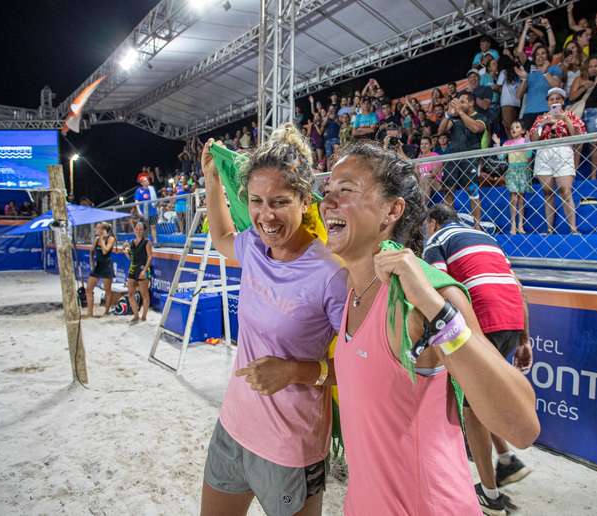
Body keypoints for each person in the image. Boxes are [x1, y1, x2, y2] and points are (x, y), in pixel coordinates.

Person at [319, 142, 539, 516]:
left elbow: (522, 427)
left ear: (393, 210)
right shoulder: (355, 288)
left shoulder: (423, 295)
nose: (328, 203)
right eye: (327, 193)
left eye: (347, 191)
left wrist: (439, 314)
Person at [199, 124, 347, 516]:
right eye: (256, 201)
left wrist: (298, 372)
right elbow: (223, 238)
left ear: (303, 199)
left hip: (290, 449)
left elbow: (363, 367)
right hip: (232, 431)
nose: (266, 215)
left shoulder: (330, 273)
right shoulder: (255, 248)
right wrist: (212, 183)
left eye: (280, 201)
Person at [423, 204, 534, 514]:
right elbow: (518, 288)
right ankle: (506, 459)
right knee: (484, 397)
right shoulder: (487, 239)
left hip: (481, 320)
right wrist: (524, 339)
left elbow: (437, 290)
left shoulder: (437, 240)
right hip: (511, 319)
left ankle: (490, 495)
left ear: (432, 222)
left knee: (472, 410)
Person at [529, 88, 587, 234]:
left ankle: (573, 228)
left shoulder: (570, 115)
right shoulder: (541, 118)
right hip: (544, 152)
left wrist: (565, 119)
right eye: (552, 99)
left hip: (563, 150)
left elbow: (577, 137)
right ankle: (549, 229)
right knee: (547, 192)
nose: (555, 101)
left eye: (558, 99)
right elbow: (533, 139)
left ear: (563, 101)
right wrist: (543, 124)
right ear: (548, 102)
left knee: (565, 191)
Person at [438, 91, 487, 228]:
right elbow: (440, 131)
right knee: (448, 190)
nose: (460, 104)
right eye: (459, 102)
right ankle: (451, 225)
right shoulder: (455, 119)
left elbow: (476, 128)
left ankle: (477, 226)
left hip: (470, 158)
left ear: (471, 103)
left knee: (472, 191)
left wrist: (460, 112)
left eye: (463, 102)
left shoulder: (481, 117)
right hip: (452, 158)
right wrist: (448, 114)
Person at [570, 56, 597, 179]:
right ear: (586, 68)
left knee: (596, 145)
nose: (593, 69)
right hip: (579, 113)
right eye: (591, 66)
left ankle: (593, 176)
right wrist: (584, 87)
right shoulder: (579, 79)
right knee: (577, 144)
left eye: (596, 66)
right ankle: (574, 175)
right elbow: (571, 97)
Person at [494, 121, 534, 234]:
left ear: (522, 130)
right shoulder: (507, 143)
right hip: (512, 171)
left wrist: (527, 142)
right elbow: (501, 157)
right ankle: (513, 224)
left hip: (523, 171)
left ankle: (520, 224)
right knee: (513, 199)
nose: (513, 129)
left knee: (521, 199)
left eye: (517, 127)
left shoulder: (524, 141)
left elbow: (528, 155)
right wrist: (498, 144)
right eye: (512, 127)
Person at [516, 44, 565, 130]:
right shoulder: (529, 75)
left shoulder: (554, 69)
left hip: (548, 111)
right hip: (529, 113)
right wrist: (524, 79)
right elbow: (518, 96)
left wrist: (545, 72)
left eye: (543, 53)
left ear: (548, 56)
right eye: (537, 54)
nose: (540, 56)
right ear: (534, 58)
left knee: (547, 138)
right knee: (531, 141)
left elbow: (556, 86)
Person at [123, 220, 152, 324]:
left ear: (143, 230)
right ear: (134, 230)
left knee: (144, 294)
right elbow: (132, 258)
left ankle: (144, 316)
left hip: (143, 269)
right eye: (137, 229)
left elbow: (149, 257)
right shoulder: (131, 243)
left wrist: (144, 270)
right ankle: (136, 315)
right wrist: (125, 252)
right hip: (133, 269)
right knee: (130, 294)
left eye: (140, 229)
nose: (138, 231)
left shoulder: (147, 242)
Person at [85, 222, 116, 318]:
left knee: (107, 291)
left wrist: (102, 240)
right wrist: (92, 264)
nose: (95, 230)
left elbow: (105, 251)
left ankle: (106, 311)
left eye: (97, 228)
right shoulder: (96, 239)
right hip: (98, 266)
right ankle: (90, 313)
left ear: (103, 229)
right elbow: (91, 251)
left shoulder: (111, 238)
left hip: (107, 266)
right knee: (88, 289)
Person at [497, 55, 522, 139]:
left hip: (506, 102)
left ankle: (512, 146)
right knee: (516, 126)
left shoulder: (504, 72)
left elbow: (498, 86)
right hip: (517, 103)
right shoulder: (517, 71)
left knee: (508, 126)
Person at [134, 175, 158, 242]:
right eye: (145, 181)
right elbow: (136, 201)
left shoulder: (152, 189)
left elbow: (155, 199)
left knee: (153, 226)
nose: (147, 181)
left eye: (147, 180)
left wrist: (157, 207)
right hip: (144, 212)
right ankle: (144, 241)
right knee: (144, 228)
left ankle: (155, 241)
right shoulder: (139, 190)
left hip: (153, 211)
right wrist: (139, 211)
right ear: (141, 183)